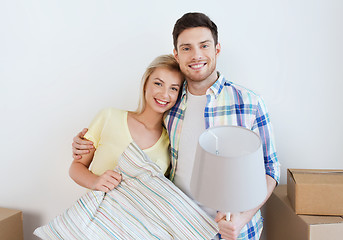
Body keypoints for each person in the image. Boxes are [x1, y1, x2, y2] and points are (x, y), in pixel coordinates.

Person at [73, 13, 280, 240]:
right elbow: (138, 133)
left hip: (233, 232)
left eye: (204, 46)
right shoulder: (170, 103)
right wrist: (84, 143)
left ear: (217, 49)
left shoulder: (249, 103)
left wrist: (243, 218)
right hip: (176, 227)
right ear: (177, 54)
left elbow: (270, 169)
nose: (196, 55)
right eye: (187, 48)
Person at [69, 54, 183, 193]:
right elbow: (76, 167)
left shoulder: (171, 143)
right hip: (96, 212)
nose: (165, 94)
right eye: (158, 83)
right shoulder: (109, 117)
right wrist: (95, 182)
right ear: (146, 83)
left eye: (174, 88)